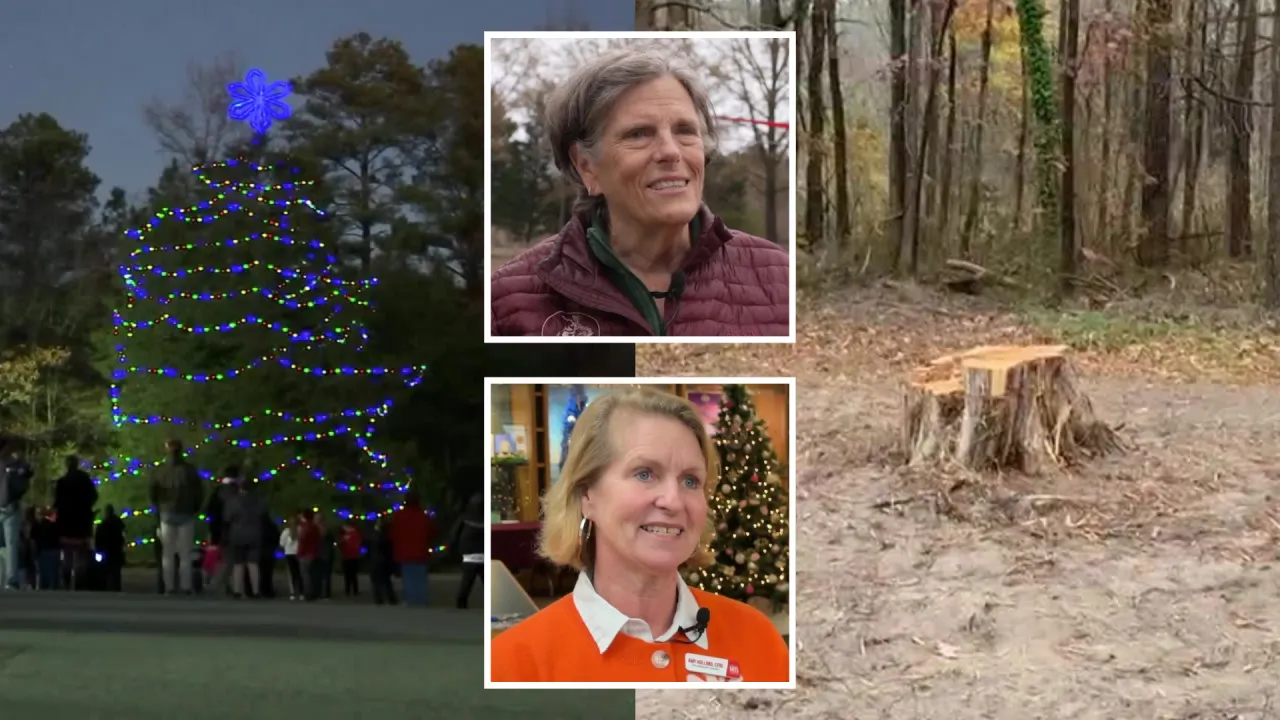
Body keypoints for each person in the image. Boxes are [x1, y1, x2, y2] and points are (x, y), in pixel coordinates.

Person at [489, 387, 789, 683]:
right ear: (586, 495)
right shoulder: (513, 662)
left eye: (690, 480)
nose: (673, 500)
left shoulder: (759, 640)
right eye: (644, 473)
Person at [490, 47, 789, 338]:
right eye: (639, 134)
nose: (670, 152)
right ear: (586, 167)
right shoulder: (506, 302)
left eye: (685, 130)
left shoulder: (778, 277)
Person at [147, 439, 204, 596]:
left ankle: (169, 586)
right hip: (186, 513)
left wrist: (158, 508)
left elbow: (152, 492)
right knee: (186, 553)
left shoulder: (160, 471)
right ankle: (186, 586)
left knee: (168, 553)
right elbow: (199, 492)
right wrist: (195, 509)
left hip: (166, 513)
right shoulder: (190, 470)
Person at [54, 455, 98, 590]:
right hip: (83, 522)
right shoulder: (85, 480)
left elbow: (57, 502)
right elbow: (94, 496)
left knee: (67, 554)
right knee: (81, 554)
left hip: (66, 523)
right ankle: (80, 582)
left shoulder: (62, 482)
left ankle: (66, 580)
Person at [222, 472, 268, 599]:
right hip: (254, 534)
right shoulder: (259, 500)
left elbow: (227, 517)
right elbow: (263, 514)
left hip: (237, 534)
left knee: (238, 564)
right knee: (253, 563)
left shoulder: (233, 501)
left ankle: (237, 590)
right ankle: (255, 590)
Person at [390, 490, 436, 607]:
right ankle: (421, 600)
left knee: (408, 577)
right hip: (421, 551)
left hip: (404, 551)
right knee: (420, 577)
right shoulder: (423, 516)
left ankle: (411, 600)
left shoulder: (399, 516)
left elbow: (393, 533)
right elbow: (431, 533)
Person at [0, 445, 33, 590]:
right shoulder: (16, 467)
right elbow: (23, 484)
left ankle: (8, 577)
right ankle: (11, 579)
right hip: (10, 506)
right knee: (11, 544)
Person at [203, 468, 239, 595]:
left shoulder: (217, 492)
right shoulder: (239, 492)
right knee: (232, 560)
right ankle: (231, 585)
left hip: (217, 529)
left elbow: (209, 511)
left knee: (219, 558)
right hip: (235, 529)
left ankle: (216, 583)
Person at [449, 493, 484, 609]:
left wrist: (453, 550)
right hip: (483, 554)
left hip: (469, 553)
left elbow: (453, 535)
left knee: (468, 579)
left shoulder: (464, 518)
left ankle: (461, 602)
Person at [94, 504, 126, 592]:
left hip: (107, 550)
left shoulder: (103, 524)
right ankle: (116, 587)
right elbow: (122, 536)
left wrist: (98, 549)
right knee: (116, 571)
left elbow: (99, 538)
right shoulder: (118, 523)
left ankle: (106, 587)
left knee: (106, 570)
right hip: (116, 550)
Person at [368, 516, 397, 606]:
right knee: (386, 580)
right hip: (383, 559)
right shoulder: (386, 534)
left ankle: (380, 598)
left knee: (378, 580)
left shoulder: (376, 534)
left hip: (378, 559)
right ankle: (389, 598)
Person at [296, 510, 322, 601]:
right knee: (310, 574)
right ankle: (313, 592)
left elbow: (302, 538)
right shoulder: (314, 527)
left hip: (305, 553)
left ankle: (308, 593)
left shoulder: (306, 527)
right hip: (312, 552)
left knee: (305, 574)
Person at [338, 519, 363, 596]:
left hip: (347, 556)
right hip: (354, 556)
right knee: (354, 575)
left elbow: (340, 544)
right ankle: (355, 590)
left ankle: (347, 590)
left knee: (347, 574)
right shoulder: (357, 533)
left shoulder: (345, 535)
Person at [280, 517, 302, 600]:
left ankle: (292, 592)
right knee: (299, 573)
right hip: (298, 553)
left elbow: (282, 543)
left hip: (289, 553)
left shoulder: (286, 532)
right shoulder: (300, 530)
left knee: (292, 574)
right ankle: (301, 592)